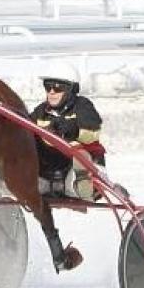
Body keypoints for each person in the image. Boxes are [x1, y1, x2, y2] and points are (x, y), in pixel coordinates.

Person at [29, 63, 104, 201]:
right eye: (48, 86)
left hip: (82, 169)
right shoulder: (41, 111)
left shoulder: (82, 106)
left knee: (79, 153)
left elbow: (92, 132)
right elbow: (25, 130)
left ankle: (84, 189)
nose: (51, 92)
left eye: (57, 88)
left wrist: (72, 128)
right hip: (50, 172)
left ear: (71, 89)